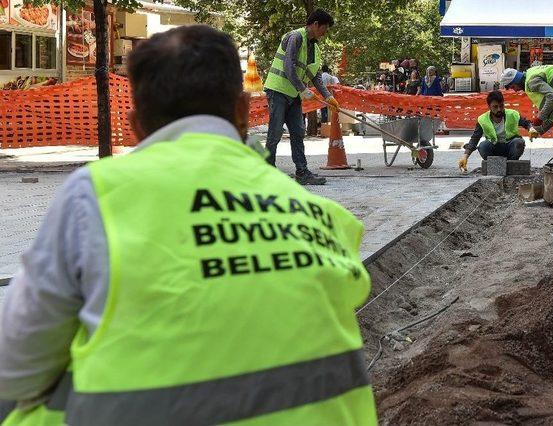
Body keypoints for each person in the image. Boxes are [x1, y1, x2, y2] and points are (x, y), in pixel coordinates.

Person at [0, 25, 377, 426]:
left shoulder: (96, 196)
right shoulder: (323, 216)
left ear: (136, 126)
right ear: (242, 111)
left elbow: (16, 366)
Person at [263, 9, 339, 185]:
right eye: (323, 29)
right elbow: (288, 66)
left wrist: (328, 97)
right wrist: (303, 89)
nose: (324, 33)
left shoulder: (315, 48)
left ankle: (302, 172)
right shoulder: (295, 37)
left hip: (293, 94)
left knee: (298, 132)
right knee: (274, 133)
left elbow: (316, 76)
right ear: (315, 24)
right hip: (278, 90)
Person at [458, 90, 536, 172]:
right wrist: (465, 157)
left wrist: (531, 129)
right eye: (495, 107)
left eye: (501, 106)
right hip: (494, 148)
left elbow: (526, 123)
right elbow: (475, 139)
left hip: (510, 147)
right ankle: (494, 165)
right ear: (489, 107)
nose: (499, 109)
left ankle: (511, 164)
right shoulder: (482, 119)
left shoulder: (513, 114)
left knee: (519, 142)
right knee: (483, 146)